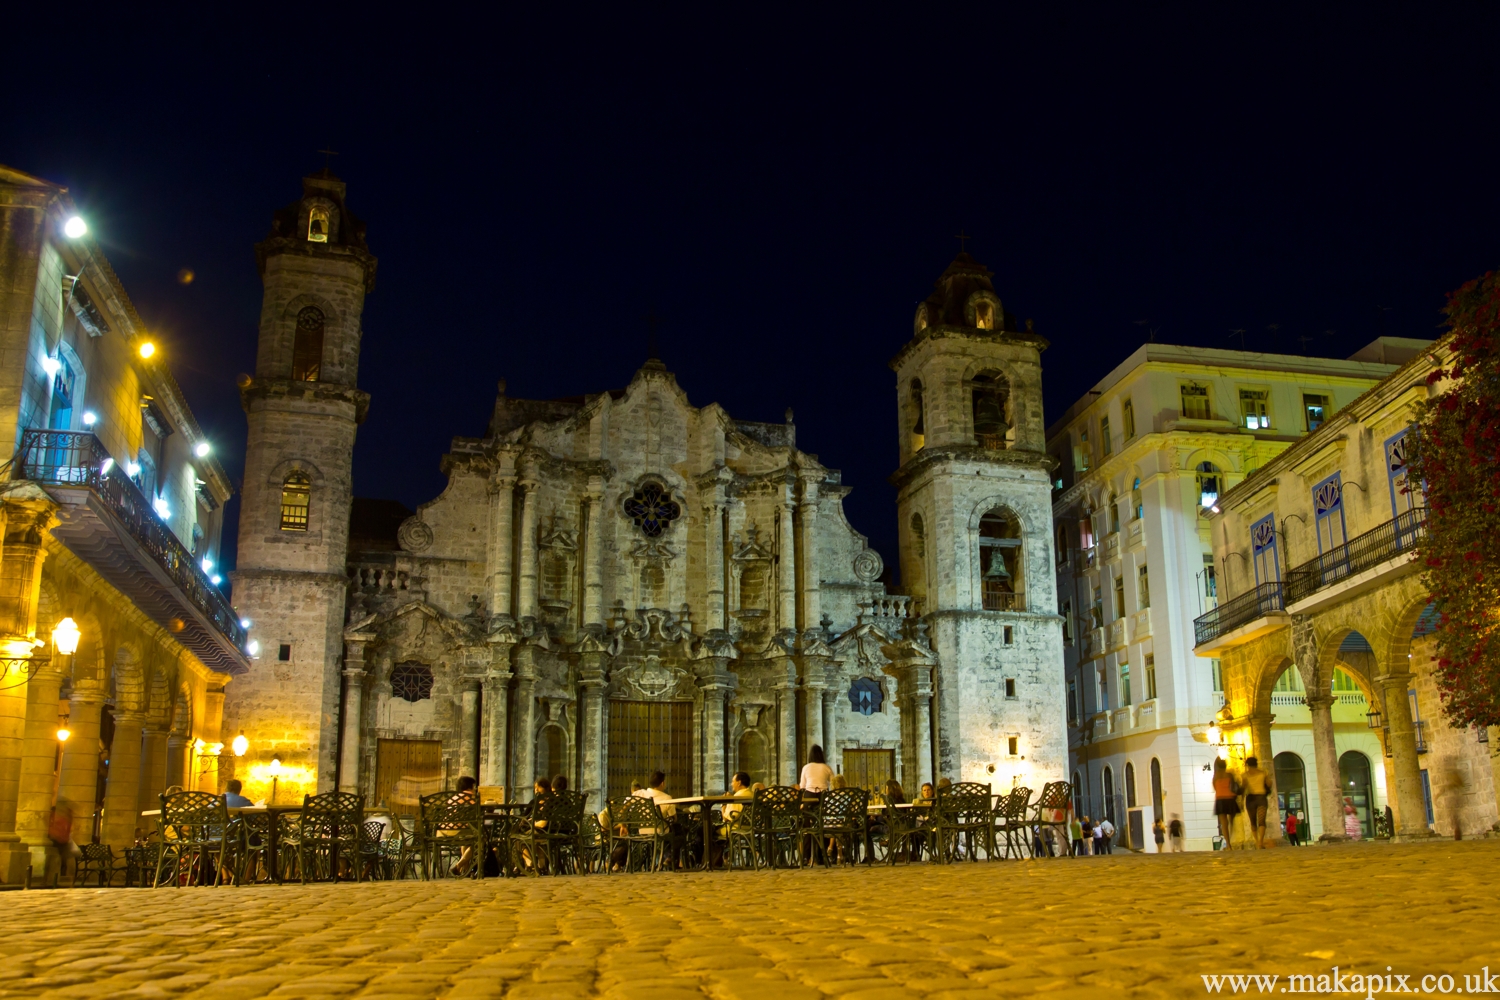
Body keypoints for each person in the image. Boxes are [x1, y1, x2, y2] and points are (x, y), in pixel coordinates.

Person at [1241, 756, 1273, 849]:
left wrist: (1241, 801)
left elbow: (1243, 788)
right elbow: (1269, 784)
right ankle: (1261, 842)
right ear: (1256, 764)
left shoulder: (1245, 775)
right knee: (1262, 821)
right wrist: (1266, 778)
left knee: (1253, 821)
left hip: (1250, 798)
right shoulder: (1263, 773)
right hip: (1261, 797)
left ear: (1247, 765)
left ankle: (1256, 841)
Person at [1212, 758, 1240, 849]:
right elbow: (1233, 786)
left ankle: (1228, 844)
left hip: (1220, 799)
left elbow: (1215, 787)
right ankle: (1232, 836)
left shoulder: (1215, 776)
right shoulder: (1229, 775)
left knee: (1224, 823)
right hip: (1230, 798)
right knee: (1232, 820)